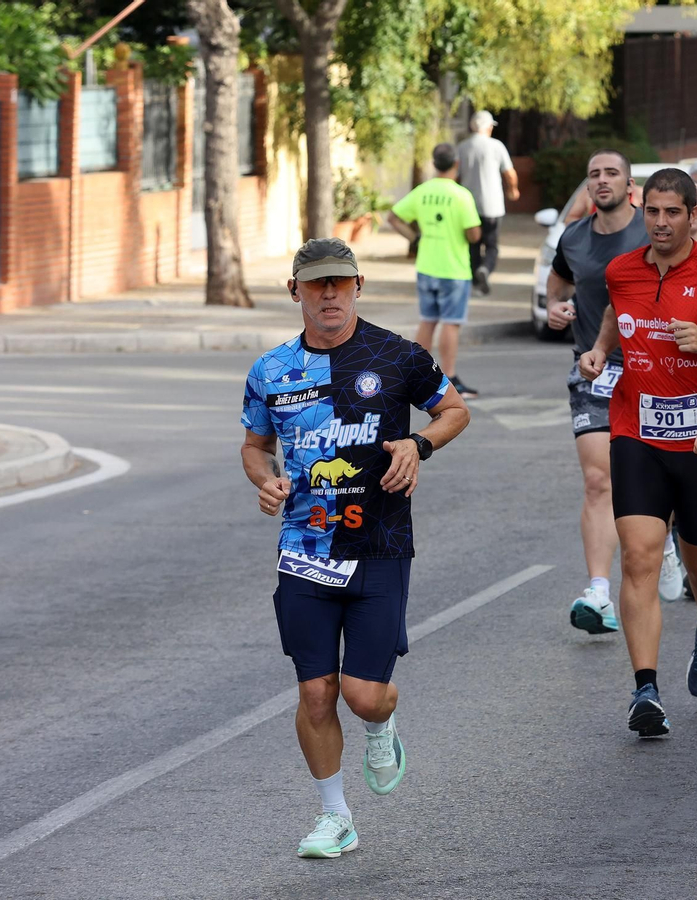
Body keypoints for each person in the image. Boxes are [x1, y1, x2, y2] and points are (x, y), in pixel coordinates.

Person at [240, 237, 471, 858]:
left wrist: (417, 446)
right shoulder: (271, 371)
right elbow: (255, 445)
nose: (329, 294)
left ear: (358, 286)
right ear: (296, 292)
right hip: (305, 546)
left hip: (380, 543)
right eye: (316, 285)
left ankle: (382, 721)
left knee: (362, 694)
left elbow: (453, 411)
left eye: (339, 283)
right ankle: (334, 814)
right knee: (316, 690)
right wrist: (266, 481)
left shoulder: (397, 357)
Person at [578, 167, 697, 736]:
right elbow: (615, 311)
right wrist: (601, 349)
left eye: (671, 212)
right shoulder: (622, 270)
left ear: (694, 214)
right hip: (636, 430)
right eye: (651, 211)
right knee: (639, 558)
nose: (659, 222)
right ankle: (645, 689)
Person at [545, 149, 669, 634]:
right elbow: (557, 288)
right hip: (594, 371)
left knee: (662, 478)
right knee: (599, 480)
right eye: (593, 173)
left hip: (658, 370)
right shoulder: (573, 237)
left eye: (611, 173)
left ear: (629, 184)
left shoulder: (653, 229)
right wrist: (556, 310)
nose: (601, 180)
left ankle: (669, 539)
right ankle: (598, 592)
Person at [385, 142, 483, 399]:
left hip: (426, 265)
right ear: (456, 164)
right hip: (454, 268)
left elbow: (393, 217)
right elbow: (473, 234)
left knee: (428, 320)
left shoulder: (422, 191)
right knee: (451, 323)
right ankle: (449, 376)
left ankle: (416, 372)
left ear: (434, 163)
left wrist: (414, 237)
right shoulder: (461, 195)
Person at [455, 110, 519, 296]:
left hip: (467, 206)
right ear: (489, 127)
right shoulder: (496, 146)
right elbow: (510, 172)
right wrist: (513, 189)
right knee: (492, 244)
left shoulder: (462, 147)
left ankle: (476, 282)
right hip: (493, 205)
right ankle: (486, 269)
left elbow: (456, 175)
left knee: (472, 245)